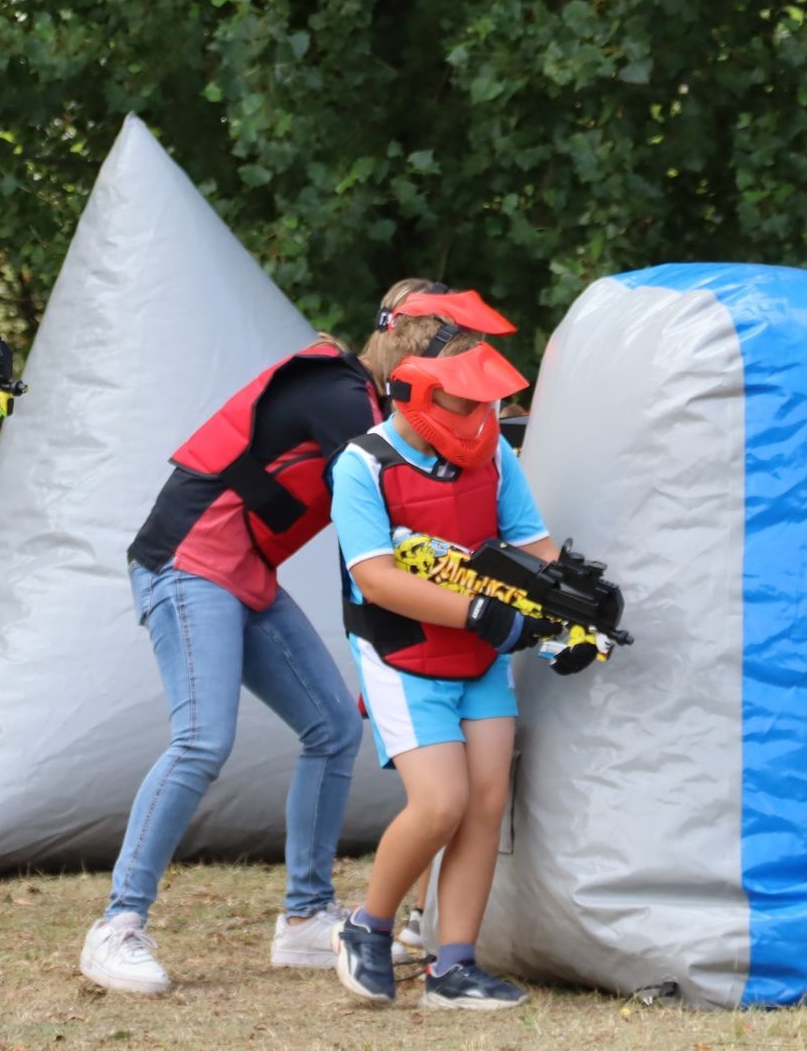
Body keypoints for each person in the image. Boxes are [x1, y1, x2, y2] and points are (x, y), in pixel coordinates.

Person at [78, 280, 515, 995]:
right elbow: (420, 478)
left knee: (333, 727)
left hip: (243, 573)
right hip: (187, 564)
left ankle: (307, 919)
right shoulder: (341, 396)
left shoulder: (366, 400)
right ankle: (118, 925)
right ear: (418, 355)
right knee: (201, 741)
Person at [324, 297, 565, 1012]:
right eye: (468, 402)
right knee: (441, 804)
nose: (482, 419)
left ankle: (451, 968)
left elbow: (532, 544)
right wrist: (483, 613)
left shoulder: (491, 450)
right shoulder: (362, 465)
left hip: (480, 656)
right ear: (420, 387)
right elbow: (375, 576)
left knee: (486, 803)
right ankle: (366, 927)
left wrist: (570, 610)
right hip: (404, 656)